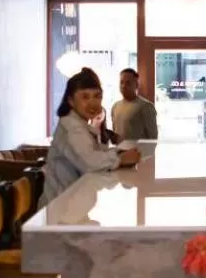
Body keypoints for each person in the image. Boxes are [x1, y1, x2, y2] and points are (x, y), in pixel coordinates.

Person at [40, 68, 140, 206]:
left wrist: (117, 151)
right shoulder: (72, 127)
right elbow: (91, 163)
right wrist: (121, 158)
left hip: (71, 205)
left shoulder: (81, 124)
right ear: (71, 100)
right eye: (85, 97)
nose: (93, 103)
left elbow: (97, 153)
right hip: (59, 212)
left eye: (97, 96)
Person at [110, 68, 158, 141]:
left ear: (136, 85)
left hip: (139, 152)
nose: (124, 86)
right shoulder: (115, 106)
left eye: (128, 83)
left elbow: (153, 137)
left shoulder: (146, 106)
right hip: (119, 151)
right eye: (121, 82)